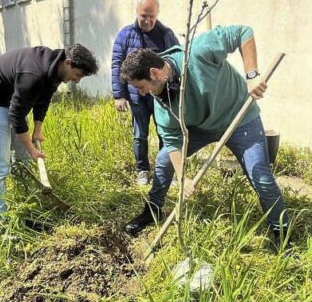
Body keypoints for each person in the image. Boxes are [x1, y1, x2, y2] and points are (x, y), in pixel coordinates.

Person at [120, 25, 287, 238]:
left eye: (141, 87)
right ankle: (152, 210)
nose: (142, 94)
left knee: (261, 176)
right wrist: (183, 179)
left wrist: (252, 75)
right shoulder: (162, 103)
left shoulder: (198, 52)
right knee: (164, 160)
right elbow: (172, 142)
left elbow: (242, 32)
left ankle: (281, 233)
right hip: (203, 126)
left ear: (155, 73)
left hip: (240, 119)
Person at [0, 44, 98, 224]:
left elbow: (44, 99)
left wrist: (37, 129)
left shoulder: (55, 69)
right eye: (77, 75)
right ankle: (1, 219)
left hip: (11, 98)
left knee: (23, 157)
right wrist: (32, 149)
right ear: (68, 63)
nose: (76, 81)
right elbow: (17, 115)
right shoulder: (34, 74)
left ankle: (22, 194)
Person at [112, 0, 180, 186]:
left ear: (157, 14)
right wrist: (119, 95)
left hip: (161, 96)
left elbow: (177, 59)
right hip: (137, 97)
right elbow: (117, 64)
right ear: (137, 13)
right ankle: (142, 170)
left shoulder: (167, 34)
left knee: (164, 133)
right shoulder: (125, 35)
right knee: (140, 134)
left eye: (152, 16)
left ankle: (166, 170)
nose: (148, 20)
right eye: (144, 16)